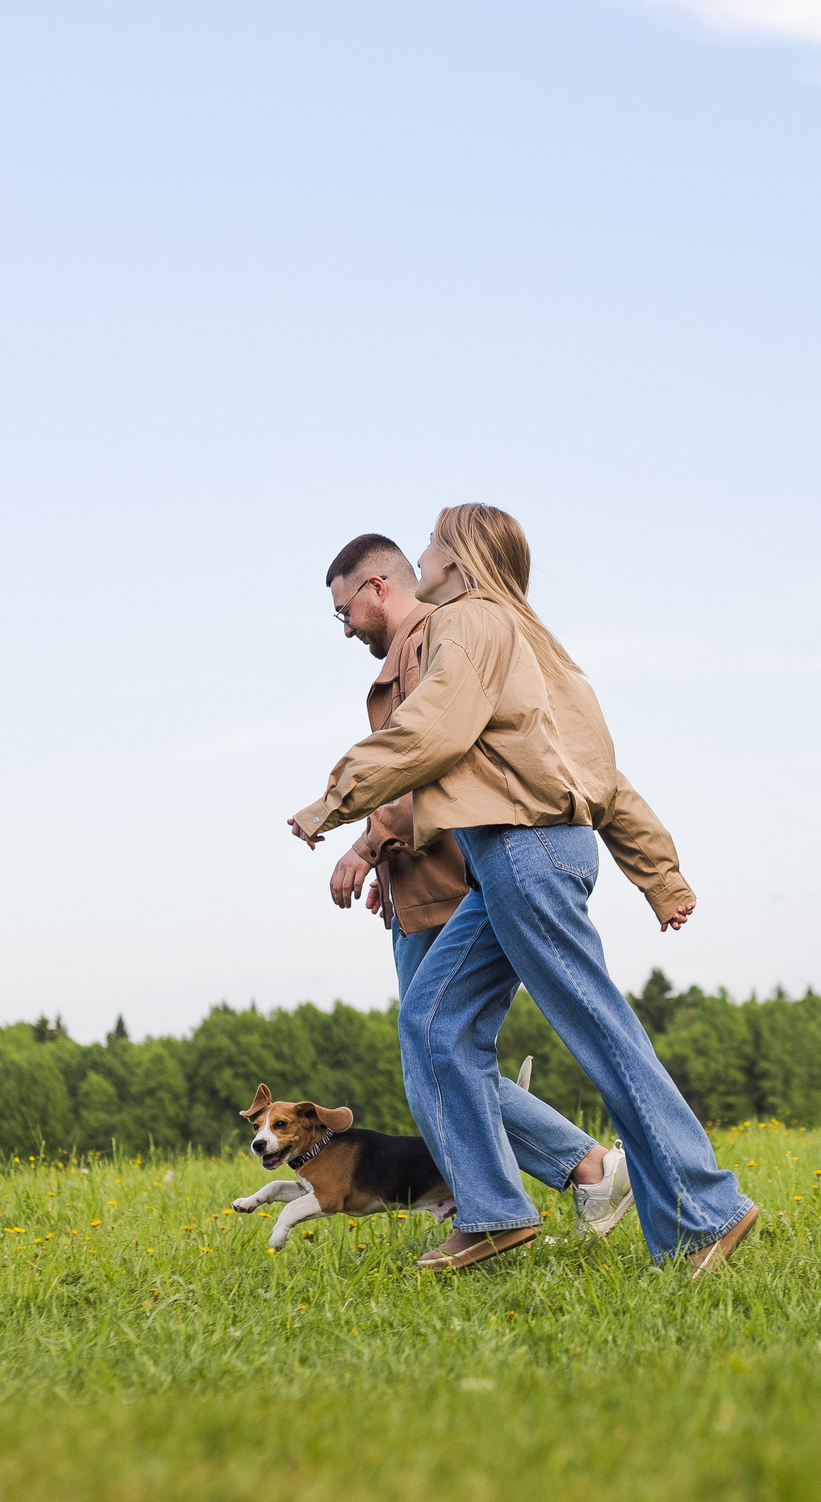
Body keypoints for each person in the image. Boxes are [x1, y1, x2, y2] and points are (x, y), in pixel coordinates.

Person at [288, 503, 756, 1278]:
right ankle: (494, 1213)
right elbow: (602, 775)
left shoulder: (467, 623)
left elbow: (433, 730)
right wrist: (658, 872)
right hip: (515, 856)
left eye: (434, 540)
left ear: (458, 558)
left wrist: (336, 799)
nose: (424, 549)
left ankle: (707, 1210)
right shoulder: (527, 640)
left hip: (524, 850)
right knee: (433, 1022)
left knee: (602, 1034)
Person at [318, 531, 634, 1239]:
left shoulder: (438, 641)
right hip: (417, 881)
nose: (343, 628)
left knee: (443, 1054)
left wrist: (367, 845)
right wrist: (390, 865)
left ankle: (576, 1174)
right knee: (439, 1055)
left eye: (345, 610)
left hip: (454, 880)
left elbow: (438, 757)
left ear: (377, 588)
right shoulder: (409, 652)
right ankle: (501, 1196)